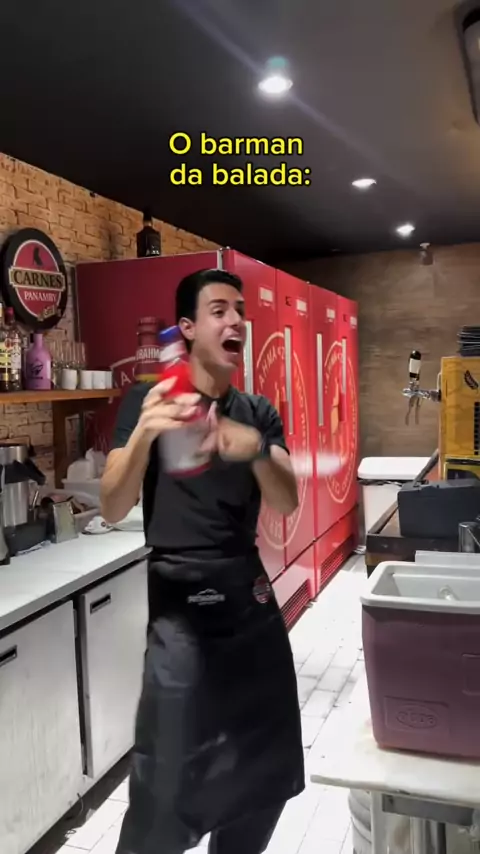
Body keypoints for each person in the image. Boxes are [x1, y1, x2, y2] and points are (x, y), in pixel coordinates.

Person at [101, 268, 305, 854]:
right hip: (178, 606)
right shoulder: (148, 400)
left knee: (262, 767)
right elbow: (113, 506)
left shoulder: (256, 412)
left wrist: (255, 449)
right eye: (220, 310)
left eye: (240, 310)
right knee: (164, 779)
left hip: (247, 598)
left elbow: (287, 500)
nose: (236, 320)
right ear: (187, 328)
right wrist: (144, 434)